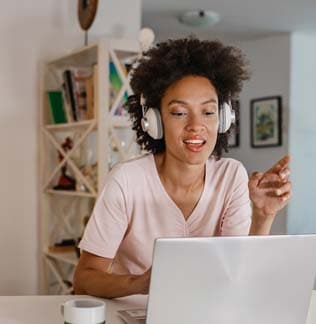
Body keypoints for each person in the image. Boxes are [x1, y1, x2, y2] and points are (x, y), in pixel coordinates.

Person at [73, 37, 291, 298]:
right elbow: (84, 280)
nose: (196, 126)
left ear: (223, 119)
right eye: (179, 113)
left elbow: (241, 274)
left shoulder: (231, 176)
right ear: (153, 121)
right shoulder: (126, 181)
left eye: (208, 112)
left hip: (209, 311)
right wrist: (143, 284)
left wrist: (263, 215)